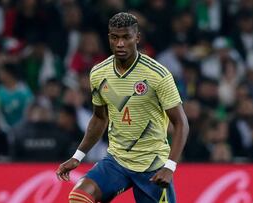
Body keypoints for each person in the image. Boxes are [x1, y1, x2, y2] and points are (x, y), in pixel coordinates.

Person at [56, 12, 189, 203]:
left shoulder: (157, 75)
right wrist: (78, 156)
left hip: (151, 165)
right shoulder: (99, 73)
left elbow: (181, 123)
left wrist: (170, 166)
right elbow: (100, 118)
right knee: (79, 196)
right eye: (115, 37)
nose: (120, 43)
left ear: (137, 37)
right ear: (109, 37)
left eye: (126, 37)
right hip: (117, 161)